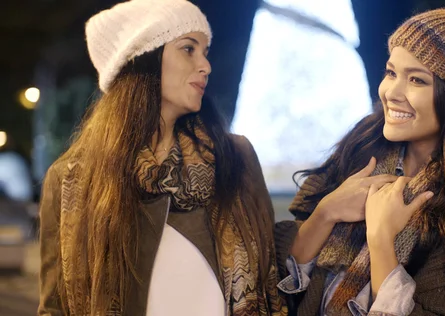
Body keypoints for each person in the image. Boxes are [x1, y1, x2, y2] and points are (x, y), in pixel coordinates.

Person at [274, 8, 445, 316]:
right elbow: (277, 280)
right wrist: (326, 212)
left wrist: (381, 240)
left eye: (417, 80)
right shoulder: (358, 152)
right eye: (391, 72)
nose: (391, 92)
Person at [38, 1, 286, 315]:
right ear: (144, 59)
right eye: (188, 49)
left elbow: (272, 264)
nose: (205, 65)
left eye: (205, 51)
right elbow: (55, 307)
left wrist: (324, 215)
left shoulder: (234, 157)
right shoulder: (71, 180)